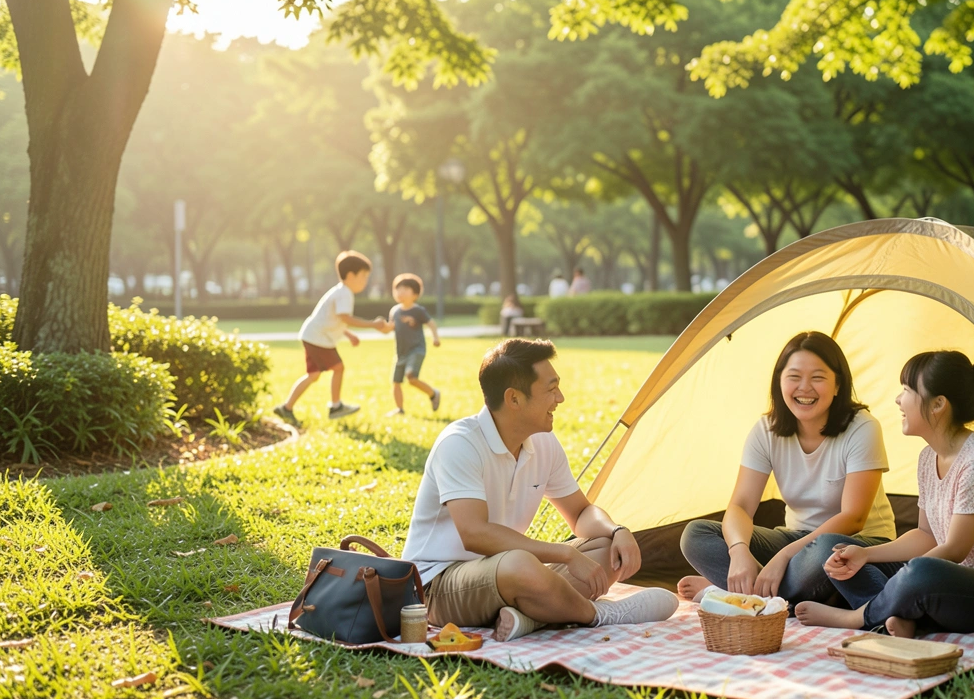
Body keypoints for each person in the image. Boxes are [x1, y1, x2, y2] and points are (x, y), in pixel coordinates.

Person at [402, 338, 679, 641]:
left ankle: (529, 619)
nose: (560, 398)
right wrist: (564, 554)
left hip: (506, 573)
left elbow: (581, 512)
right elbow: (475, 534)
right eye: (550, 389)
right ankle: (602, 615)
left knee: (604, 548)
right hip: (438, 586)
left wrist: (617, 531)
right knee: (521, 563)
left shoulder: (543, 443)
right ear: (514, 399)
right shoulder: (460, 444)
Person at [795, 350, 974, 637]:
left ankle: (859, 617)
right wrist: (865, 554)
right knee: (837, 550)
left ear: (938, 404)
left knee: (921, 573)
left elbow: (953, 550)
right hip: (954, 580)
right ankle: (902, 618)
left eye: (907, 390)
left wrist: (906, 575)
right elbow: (926, 535)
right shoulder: (929, 457)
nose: (899, 400)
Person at [677, 331, 898, 607]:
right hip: (795, 541)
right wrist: (738, 553)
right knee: (696, 535)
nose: (804, 388)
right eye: (794, 377)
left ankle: (733, 590)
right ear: (779, 382)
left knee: (823, 554)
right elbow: (741, 507)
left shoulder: (862, 428)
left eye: (818, 378)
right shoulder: (766, 431)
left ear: (838, 385)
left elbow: (854, 518)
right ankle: (771, 591)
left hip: (855, 545)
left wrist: (781, 559)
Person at [274, 250, 386, 426]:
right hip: (318, 338)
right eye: (363, 276)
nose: (366, 281)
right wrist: (373, 324)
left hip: (313, 335)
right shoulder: (345, 293)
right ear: (350, 275)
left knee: (313, 375)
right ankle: (336, 406)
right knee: (338, 368)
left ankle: (286, 408)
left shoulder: (340, 291)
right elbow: (345, 318)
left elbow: (334, 320)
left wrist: (348, 334)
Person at [387, 273, 441, 416]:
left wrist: (435, 338)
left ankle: (433, 393)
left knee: (411, 377)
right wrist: (381, 327)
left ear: (415, 294)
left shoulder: (418, 310)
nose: (400, 292)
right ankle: (399, 409)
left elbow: (431, 323)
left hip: (416, 350)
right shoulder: (394, 311)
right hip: (400, 353)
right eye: (397, 289)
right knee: (396, 381)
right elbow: (390, 327)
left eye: (405, 289)